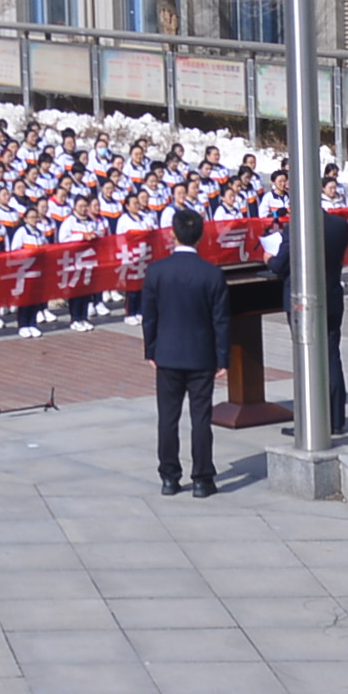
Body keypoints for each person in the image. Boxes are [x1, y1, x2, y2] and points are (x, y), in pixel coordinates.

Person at [137, 208, 229, 497]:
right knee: (201, 417)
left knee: (168, 417)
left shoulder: (157, 271)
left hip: (168, 353)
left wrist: (151, 350)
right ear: (200, 236)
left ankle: (169, 476)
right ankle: (202, 479)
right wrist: (223, 357)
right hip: (201, 354)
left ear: (172, 234)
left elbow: (149, 316)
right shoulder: (212, 274)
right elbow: (221, 320)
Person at [268, 200, 348, 435]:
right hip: (332, 296)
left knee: (306, 358)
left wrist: (267, 258)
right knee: (332, 355)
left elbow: (280, 265)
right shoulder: (340, 225)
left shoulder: (296, 228)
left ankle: (310, 422)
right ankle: (335, 419)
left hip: (304, 302)